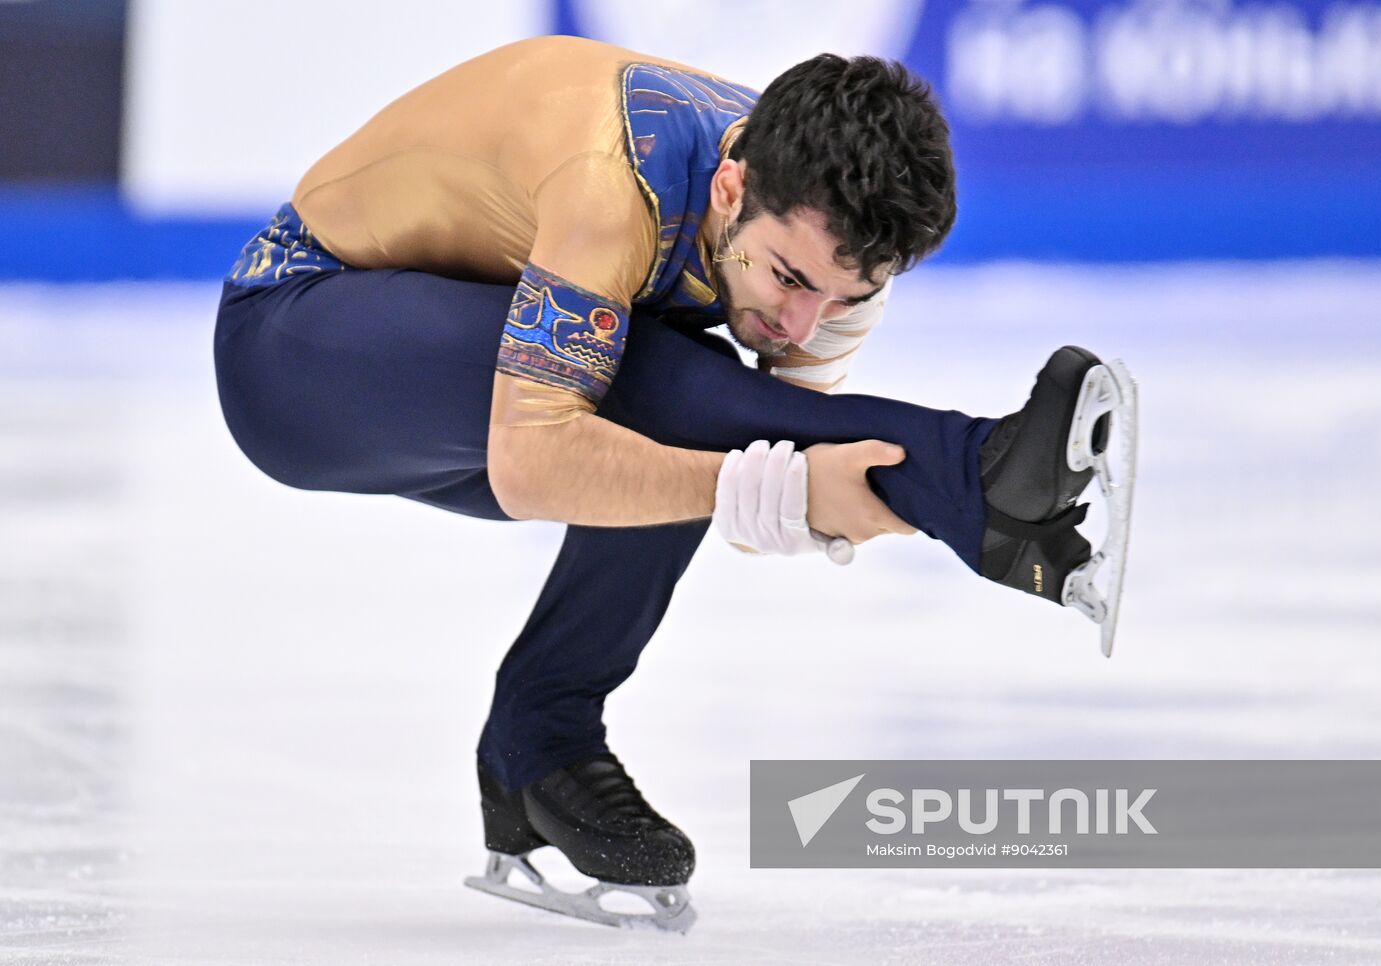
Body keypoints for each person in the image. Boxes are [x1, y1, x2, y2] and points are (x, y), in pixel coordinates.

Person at [213, 35, 1134, 932]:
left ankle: (542, 745)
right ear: (731, 189)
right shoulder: (611, 186)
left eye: (842, 301)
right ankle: (977, 476)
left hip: (463, 380)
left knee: (690, 402)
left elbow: (770, 452)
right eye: (789, 279)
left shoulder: (833, 251)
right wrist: (784, 484)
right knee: (658, 386)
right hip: (293, 346)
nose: (803, 321)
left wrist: (813, 502)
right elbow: (535, 462)